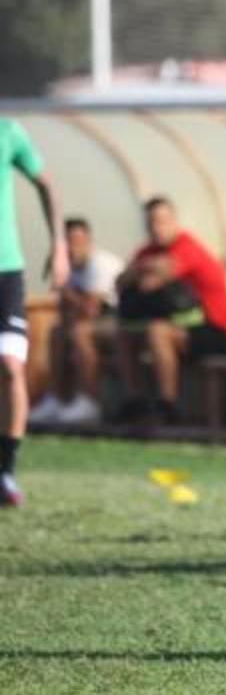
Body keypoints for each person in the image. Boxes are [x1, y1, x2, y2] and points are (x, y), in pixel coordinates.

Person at [115, 197, 226, 424]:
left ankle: (168, 405)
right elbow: (121, 282)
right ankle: (133, 402)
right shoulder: (147, 252)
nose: (157, 227)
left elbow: (150, 282)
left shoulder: (187, 246)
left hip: (216, 330)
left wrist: (140, 270)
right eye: (152, 222)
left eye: (163, 221)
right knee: (124, 335)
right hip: (184, 327)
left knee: (157, 331)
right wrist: (143, 268)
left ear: (174, 221)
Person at [0, 117, 68, 506]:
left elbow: (46, 184)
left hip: (5, 273)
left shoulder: (9, 132)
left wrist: (58, 246)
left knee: (11, 367)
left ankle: (5, 471)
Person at [29, 218, 124, 425]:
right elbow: (66, 313)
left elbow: (91, 310)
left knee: (81, 333)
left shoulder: (100, 264)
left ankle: (89, 402)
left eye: (78, 240)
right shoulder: (70, 267)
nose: (74, 246)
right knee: (57, 332)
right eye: (69, 241)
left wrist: (64, 288)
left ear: (89, 240)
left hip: (119, 321)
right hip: (91, 323)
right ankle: (55, 398)